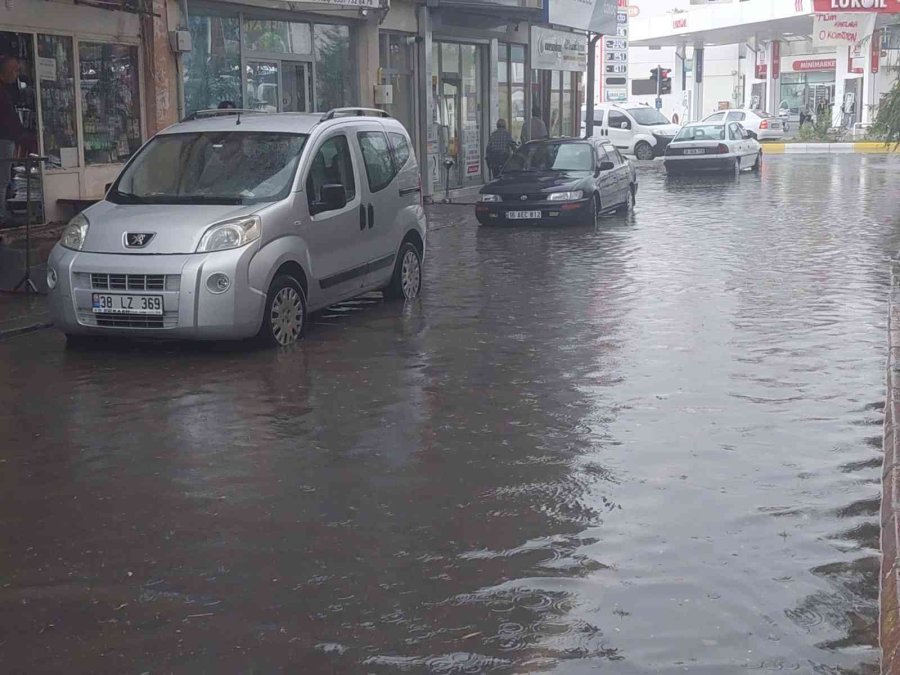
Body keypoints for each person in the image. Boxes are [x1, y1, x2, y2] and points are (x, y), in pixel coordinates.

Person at [0, 55, 36, 225]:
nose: (17, 74)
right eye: (14, 70)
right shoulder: (2, 94)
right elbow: (8, 119)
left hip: (7, 137)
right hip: (4, 139)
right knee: (3, 179)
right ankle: (2, 216)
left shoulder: (6, 91)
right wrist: (23, 136)